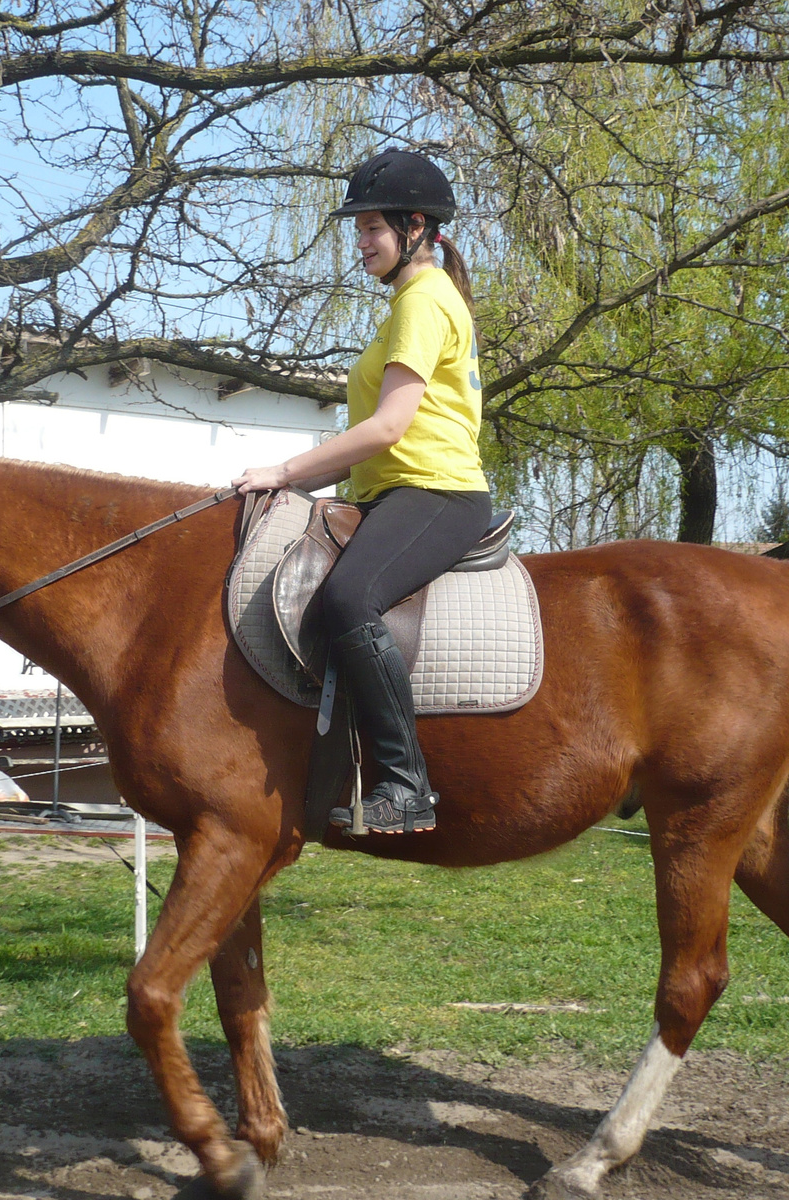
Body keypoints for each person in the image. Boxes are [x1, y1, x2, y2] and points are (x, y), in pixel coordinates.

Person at [233, 149, 492, 834]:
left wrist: (286, 472)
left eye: (372, 229)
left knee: (349, 599)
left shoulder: (424, 300)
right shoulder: (411, 303)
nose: (362, 244)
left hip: (437, 491)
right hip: (392, 491)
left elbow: (387, 427)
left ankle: (407, 787)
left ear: (416, 228)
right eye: (359, 231)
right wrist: (288, 488)